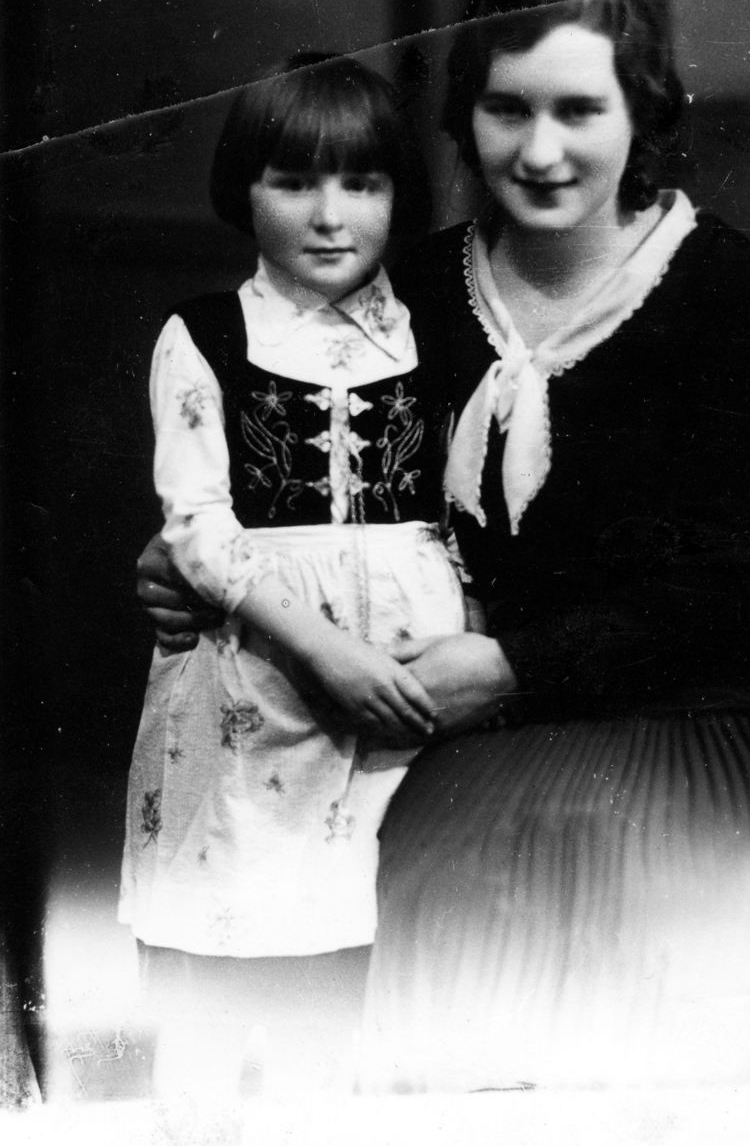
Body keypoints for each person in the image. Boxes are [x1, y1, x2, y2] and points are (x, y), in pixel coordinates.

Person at [139, 0, 750, 1094]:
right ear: (465, 121)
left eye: (579, 110)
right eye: (508, 110)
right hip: (484, 716)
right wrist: (180, 562)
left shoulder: (722, 292)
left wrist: (513, 667)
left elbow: (732, 579)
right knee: (434, 864)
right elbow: (281, 468)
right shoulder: (407, 294)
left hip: (731, 696)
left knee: (631, 863)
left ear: (640, 114)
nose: (542, 150)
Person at [119, 53, 472, 1102]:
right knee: (221, 949)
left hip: (404, 687)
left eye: (362, 183)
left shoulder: (435, 332)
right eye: (294, 182)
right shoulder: (207, 335)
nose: (329, 215)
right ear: (246, 189)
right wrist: (322, 648)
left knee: (351, 969)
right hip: (255, 676)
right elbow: (196, 526)